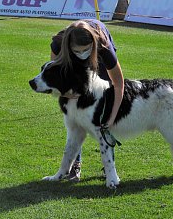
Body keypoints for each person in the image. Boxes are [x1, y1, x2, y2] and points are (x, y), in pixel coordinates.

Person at [49, 19, 124, 182]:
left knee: (102, 114)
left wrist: (111, 118)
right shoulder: (58, 44)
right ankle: (74, 164)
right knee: (75, 114)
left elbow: (118, 84)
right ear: (69, 47)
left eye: (86, 50)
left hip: (99, 56)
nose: (82, 53)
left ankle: (109, 168)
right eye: (78, 51)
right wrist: (66, 94)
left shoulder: (103, 47)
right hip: (69, 55)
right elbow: (54, 78)